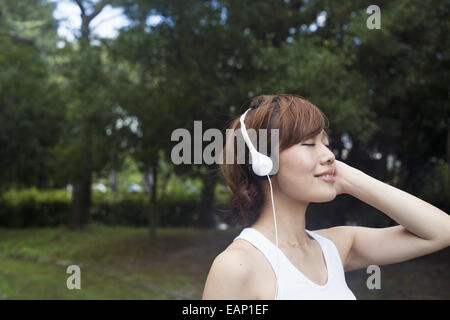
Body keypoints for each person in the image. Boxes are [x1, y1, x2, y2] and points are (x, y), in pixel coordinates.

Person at [202, 94, 450, 300]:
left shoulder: (336, 246)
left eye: (326, 143)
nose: (329, 155)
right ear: (263, 162)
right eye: (309, 144)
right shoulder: (237, 266)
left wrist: (349, 178)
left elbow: (441, 231)